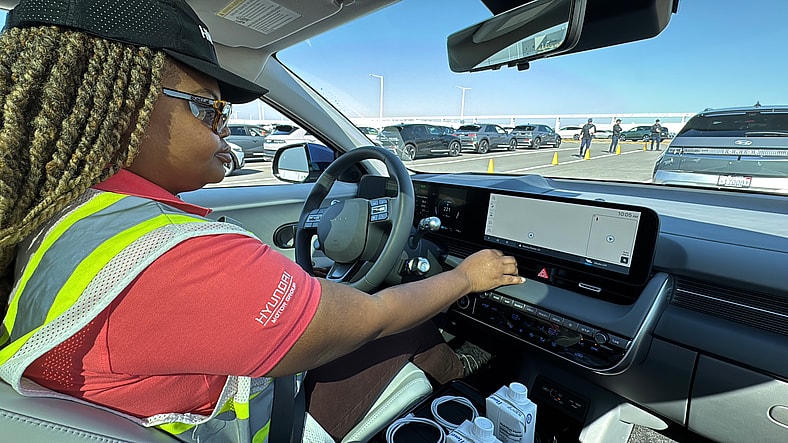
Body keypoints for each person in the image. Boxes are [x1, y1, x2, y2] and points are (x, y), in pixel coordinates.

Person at [0, 1, 525, 442]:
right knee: (410, 330)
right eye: (207, 110)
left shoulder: (67, 211)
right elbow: (374, 315)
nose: (221, 138)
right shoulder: (181, 256)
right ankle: (486, 405)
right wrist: (466, 278)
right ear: (122, 107)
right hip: (255, 422)